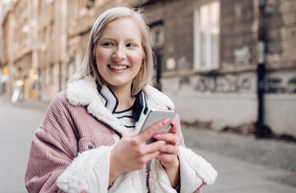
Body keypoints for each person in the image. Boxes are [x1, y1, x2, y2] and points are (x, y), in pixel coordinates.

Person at [25, 7, 217, 193]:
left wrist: (173, 165)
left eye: (130, 45)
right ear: (94, 53)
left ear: (142, 57)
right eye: (108, 44)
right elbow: (40, 185)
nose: (119, 55)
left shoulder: (163, 109)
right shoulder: (67, 107)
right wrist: (112, 165)